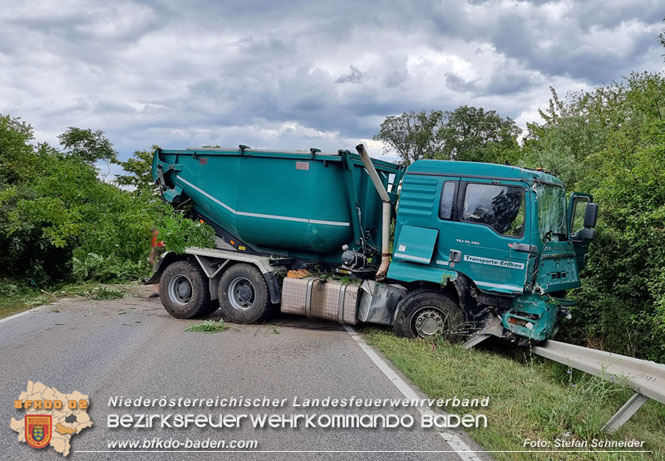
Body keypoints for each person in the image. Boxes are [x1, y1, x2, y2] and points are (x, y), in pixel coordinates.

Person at [149, 227, 165, 298]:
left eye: (154, 231)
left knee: (162, 275)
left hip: (162, 259)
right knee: (155, 275)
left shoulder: (162, 238)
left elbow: (164, 246)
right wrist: (151, 259)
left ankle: (162, 291)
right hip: (156, 259)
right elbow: (152, 250)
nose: (154, 233)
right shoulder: (154, 239)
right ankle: (156, 292)